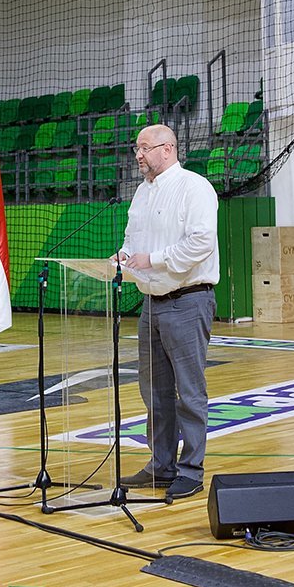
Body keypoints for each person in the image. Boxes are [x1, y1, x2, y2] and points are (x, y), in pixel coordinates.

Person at [112, 124, 219, 502]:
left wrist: (153, 260)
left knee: (189, 391)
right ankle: (161, 465)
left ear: (168, 149)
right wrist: (123, 256)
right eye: (136, 149)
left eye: (144, 148)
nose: (138, 155)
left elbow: (201, 243)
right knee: (154, 392)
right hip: (151, 304)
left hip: (188, 300)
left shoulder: (195, 187)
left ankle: (191, 470)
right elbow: (133, 241)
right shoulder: (142, 192)